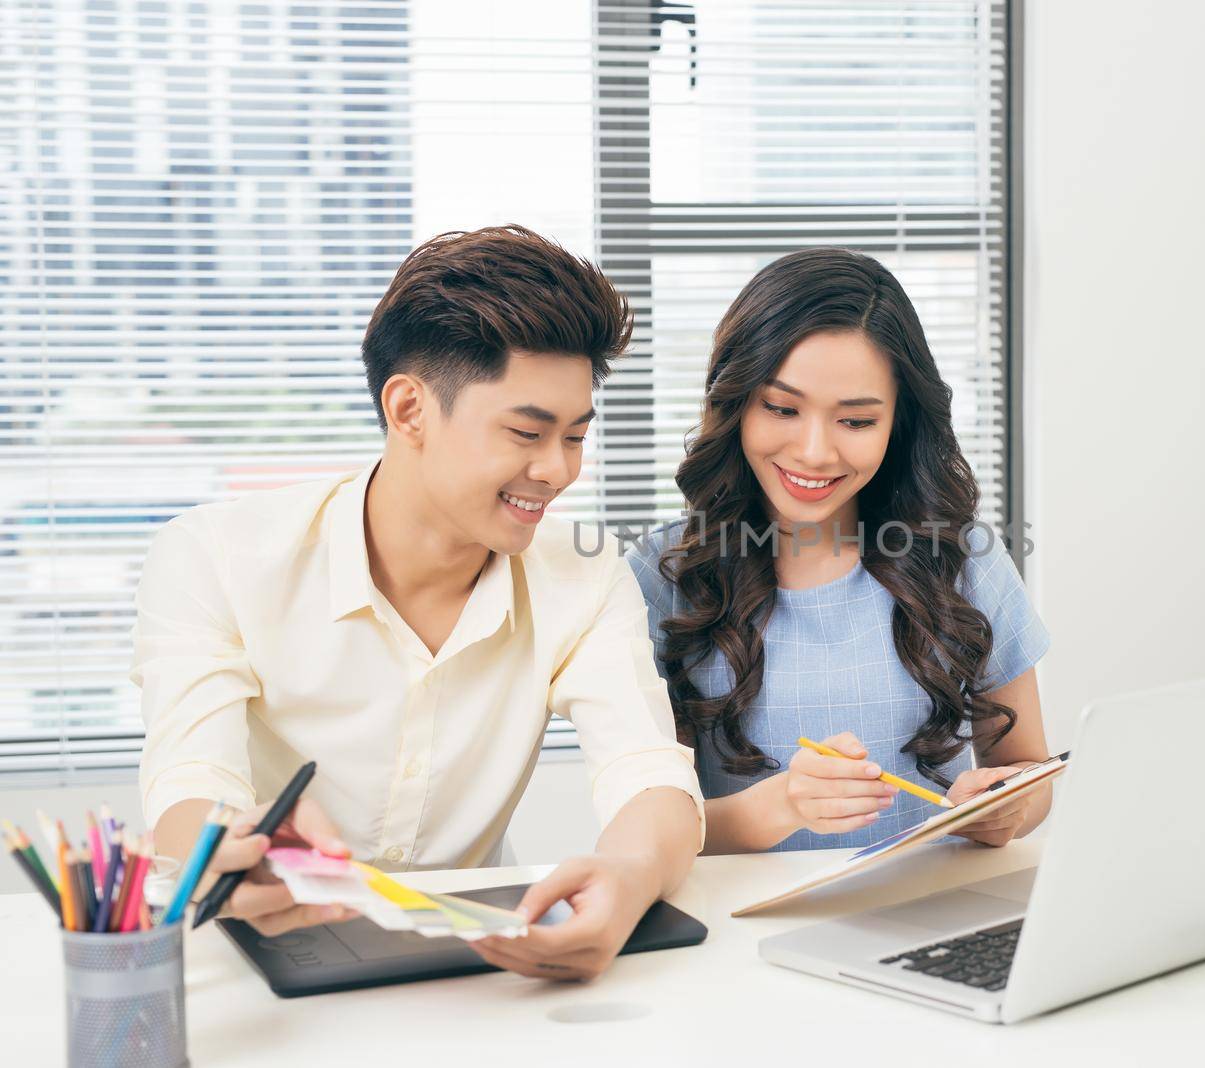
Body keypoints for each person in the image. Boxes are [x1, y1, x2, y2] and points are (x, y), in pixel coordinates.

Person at [133, 225, 702, 979]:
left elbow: (647, 773)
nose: (559, 469)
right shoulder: (216, 556)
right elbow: (190, 780)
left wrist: (629, 878)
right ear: (408, 411)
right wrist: (225, 847)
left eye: (574, 435)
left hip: (473, 972)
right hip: (250, 962)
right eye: (527, 432)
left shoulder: (583, 577)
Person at [627, 248, 1051, 854]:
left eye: (855, 421)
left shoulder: (964, 559)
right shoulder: (662, 574)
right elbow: (642, 832)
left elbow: (1030, 775)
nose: (815, 452)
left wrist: (1003, 809)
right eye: (781, 408)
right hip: (737, 936)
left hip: (924, 916)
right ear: (736, 402)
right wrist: (782, 805)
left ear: (898, 423)